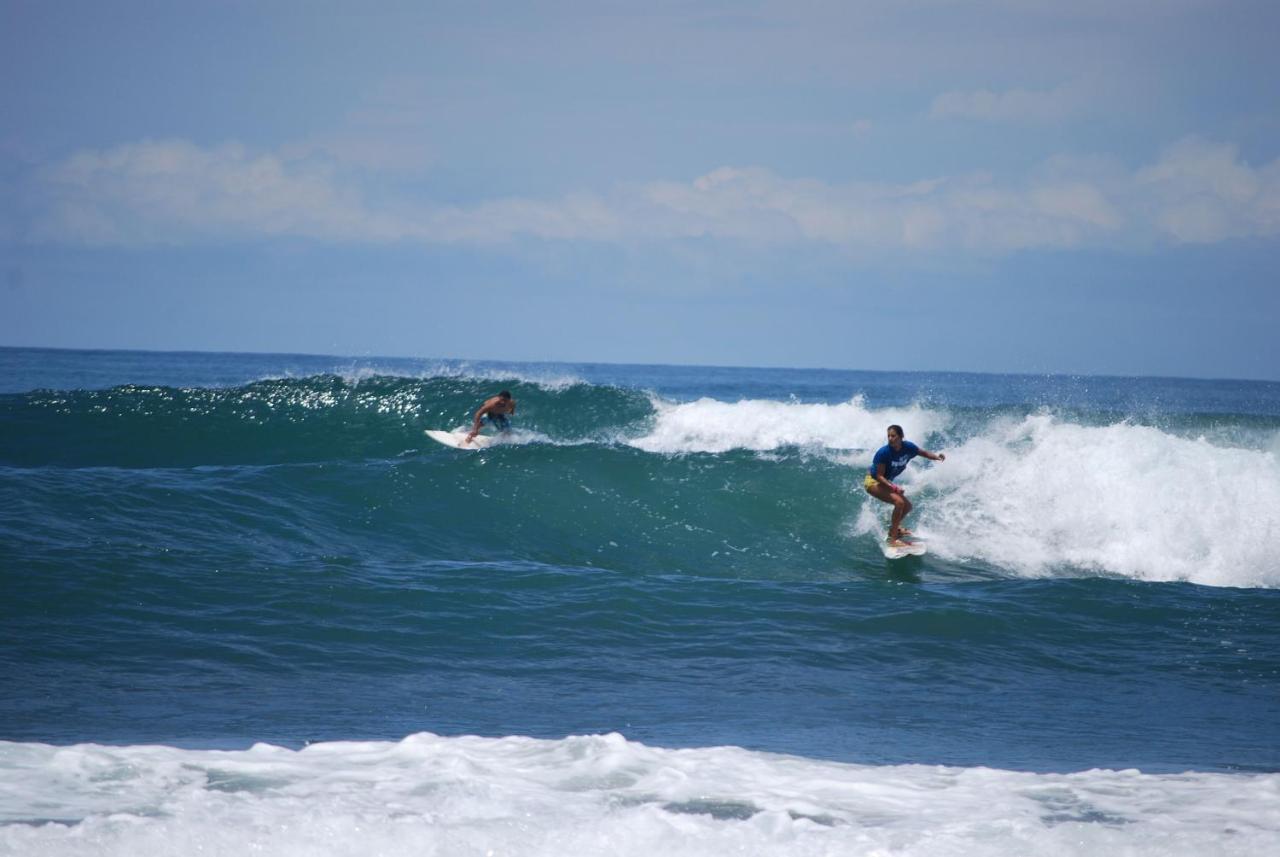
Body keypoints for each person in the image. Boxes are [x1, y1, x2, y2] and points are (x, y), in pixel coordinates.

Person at [864, 424, 945, 547]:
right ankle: (893, 539)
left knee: (907, 506)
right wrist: (894, 487)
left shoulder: (908, 447)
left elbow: (923, 453)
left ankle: (893, 529)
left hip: (885, 482)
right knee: (899, 502)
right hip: (873, 481)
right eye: (889, 436)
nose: (890, 438)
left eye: (893, 436)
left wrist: (937, 457)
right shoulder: (883, 452)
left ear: (901, 436)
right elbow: (879, 476)